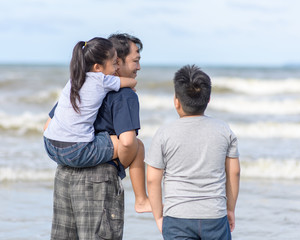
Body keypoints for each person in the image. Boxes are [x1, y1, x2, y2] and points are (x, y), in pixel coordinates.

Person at [47, 33, 150, 240]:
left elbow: (49, 124)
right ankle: (142, 199)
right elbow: (127, 142)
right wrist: (123, 161)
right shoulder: (124, 94)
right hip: (98, 179)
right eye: (136, 60)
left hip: (64, 173)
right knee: (137, 145)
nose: (138, 67)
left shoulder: (78, 84)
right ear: (117, 62)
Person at [146, 65, 241, 240]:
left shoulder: (164, 133)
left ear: (176, 101)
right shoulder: (223, 130)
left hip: (177, 216)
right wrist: (230, 209)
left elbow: (152, 179)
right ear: (209, 99)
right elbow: (234, 172)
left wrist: (159, 216)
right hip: (214, 215)